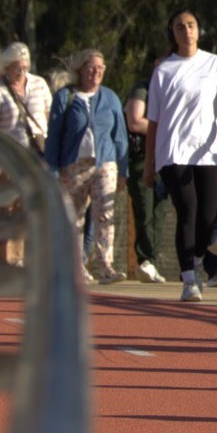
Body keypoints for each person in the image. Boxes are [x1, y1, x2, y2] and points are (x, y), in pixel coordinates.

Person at [147, 10, 217, 303]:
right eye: (180, 27)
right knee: (187, 209)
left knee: (208, 215)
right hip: (173, 152)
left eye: (191, 26)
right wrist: (149, 163)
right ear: (173, 33)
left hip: (207, 152)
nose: (186, 31)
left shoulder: (215, 64)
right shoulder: (163, 70)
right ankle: (189, 278)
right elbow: (153, 120)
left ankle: (199, 255)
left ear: (199, 30)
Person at [46, 48, 129, 283]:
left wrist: (123, 170)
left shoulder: (110, 97)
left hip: (105, 164)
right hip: (72, 166)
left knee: (105, 215)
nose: (96, 72)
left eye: (101, 68)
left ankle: (106, 265)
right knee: (74, 217)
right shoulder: (65, 97)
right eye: (91, 67)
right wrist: (51, 169)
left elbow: (120, 136)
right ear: (80, 70)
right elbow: (54, 136)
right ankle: (76, 265)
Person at [120, 75, 168, 283]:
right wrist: (167, 130)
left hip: (166, 159)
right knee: (144, 209)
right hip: (141, 158)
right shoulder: (143, 88)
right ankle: (144, 259)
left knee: (160, 211)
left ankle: (152, 262)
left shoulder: (174, 89)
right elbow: (135, 122)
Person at [0, 41, 52, 154]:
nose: (21, 73)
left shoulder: (39, 83)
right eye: (17, 68)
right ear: (7, 67)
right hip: (12, 154)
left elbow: (49, 115)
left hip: (40, 150)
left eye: (25, 68)